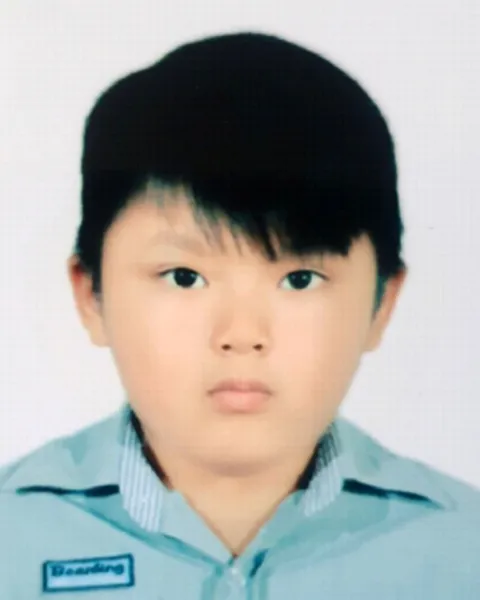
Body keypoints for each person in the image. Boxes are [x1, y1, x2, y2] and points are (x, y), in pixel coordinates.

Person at [1, 31, 479, 599]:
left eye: (299, 279)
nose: (242, 335)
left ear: (383, 304)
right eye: (184, 277)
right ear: (91, 295)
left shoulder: (463, 548)